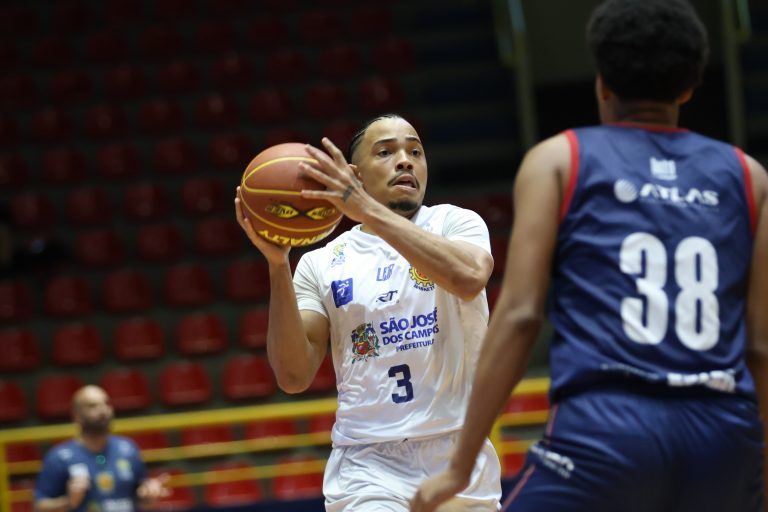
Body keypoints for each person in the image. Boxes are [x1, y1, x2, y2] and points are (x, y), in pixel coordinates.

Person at [411, 0, 768, 510]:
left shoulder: (560, 160)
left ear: (601, 83)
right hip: (723, 434)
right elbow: (760, 347)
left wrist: (459, 467)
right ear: (690, 86)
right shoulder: (749, 176)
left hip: (608, 428)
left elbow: (521, 315)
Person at [235, 114, 502, 511]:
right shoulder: (321, 263)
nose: (405, 160)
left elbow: (468, 277)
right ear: (354, 175)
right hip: (367, 461)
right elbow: (293, 376)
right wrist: (278, 266)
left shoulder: (454, 223)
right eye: (386, 152)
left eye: (415, 151)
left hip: (458, 449)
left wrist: (367, 210)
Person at [34, 385, 170, 512]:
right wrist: (69, 502)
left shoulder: (128, 449)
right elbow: (40, 506)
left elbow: (142, 499)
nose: (103, 410)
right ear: (76, 415)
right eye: (93, 406)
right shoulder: (59, 457)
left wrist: (149, 495)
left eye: (106, 403)